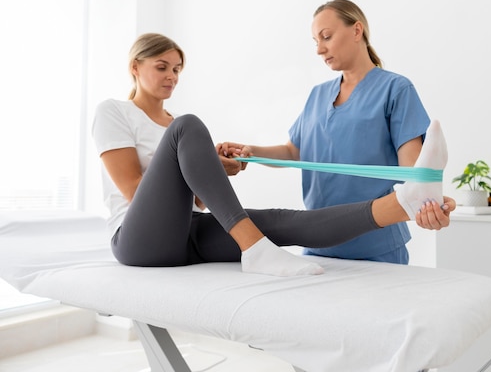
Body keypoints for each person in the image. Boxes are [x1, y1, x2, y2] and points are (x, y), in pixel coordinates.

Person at [92, 32, 452, 278]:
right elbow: (136, 192)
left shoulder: (170, 124)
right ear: (135, 67)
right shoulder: (116, 112)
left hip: (182, 233)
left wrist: (212, 172)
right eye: (161, 67)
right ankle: (254, 248)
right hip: (138, 240)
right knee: (188, 126)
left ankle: (406, 201)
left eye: (176, 70)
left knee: (283, 221)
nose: (171, 76)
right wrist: (184, 160)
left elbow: (198, 202)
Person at [218, 0, 455, 264]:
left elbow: (411, 170)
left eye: (326, 37)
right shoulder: (317, 95)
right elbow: (293, 151)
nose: (319, 49)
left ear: (356, 31)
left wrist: (427, 203)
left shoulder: (396, 90)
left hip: (376, 247)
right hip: (318, 242)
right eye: (315, 41)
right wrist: (250, 152)